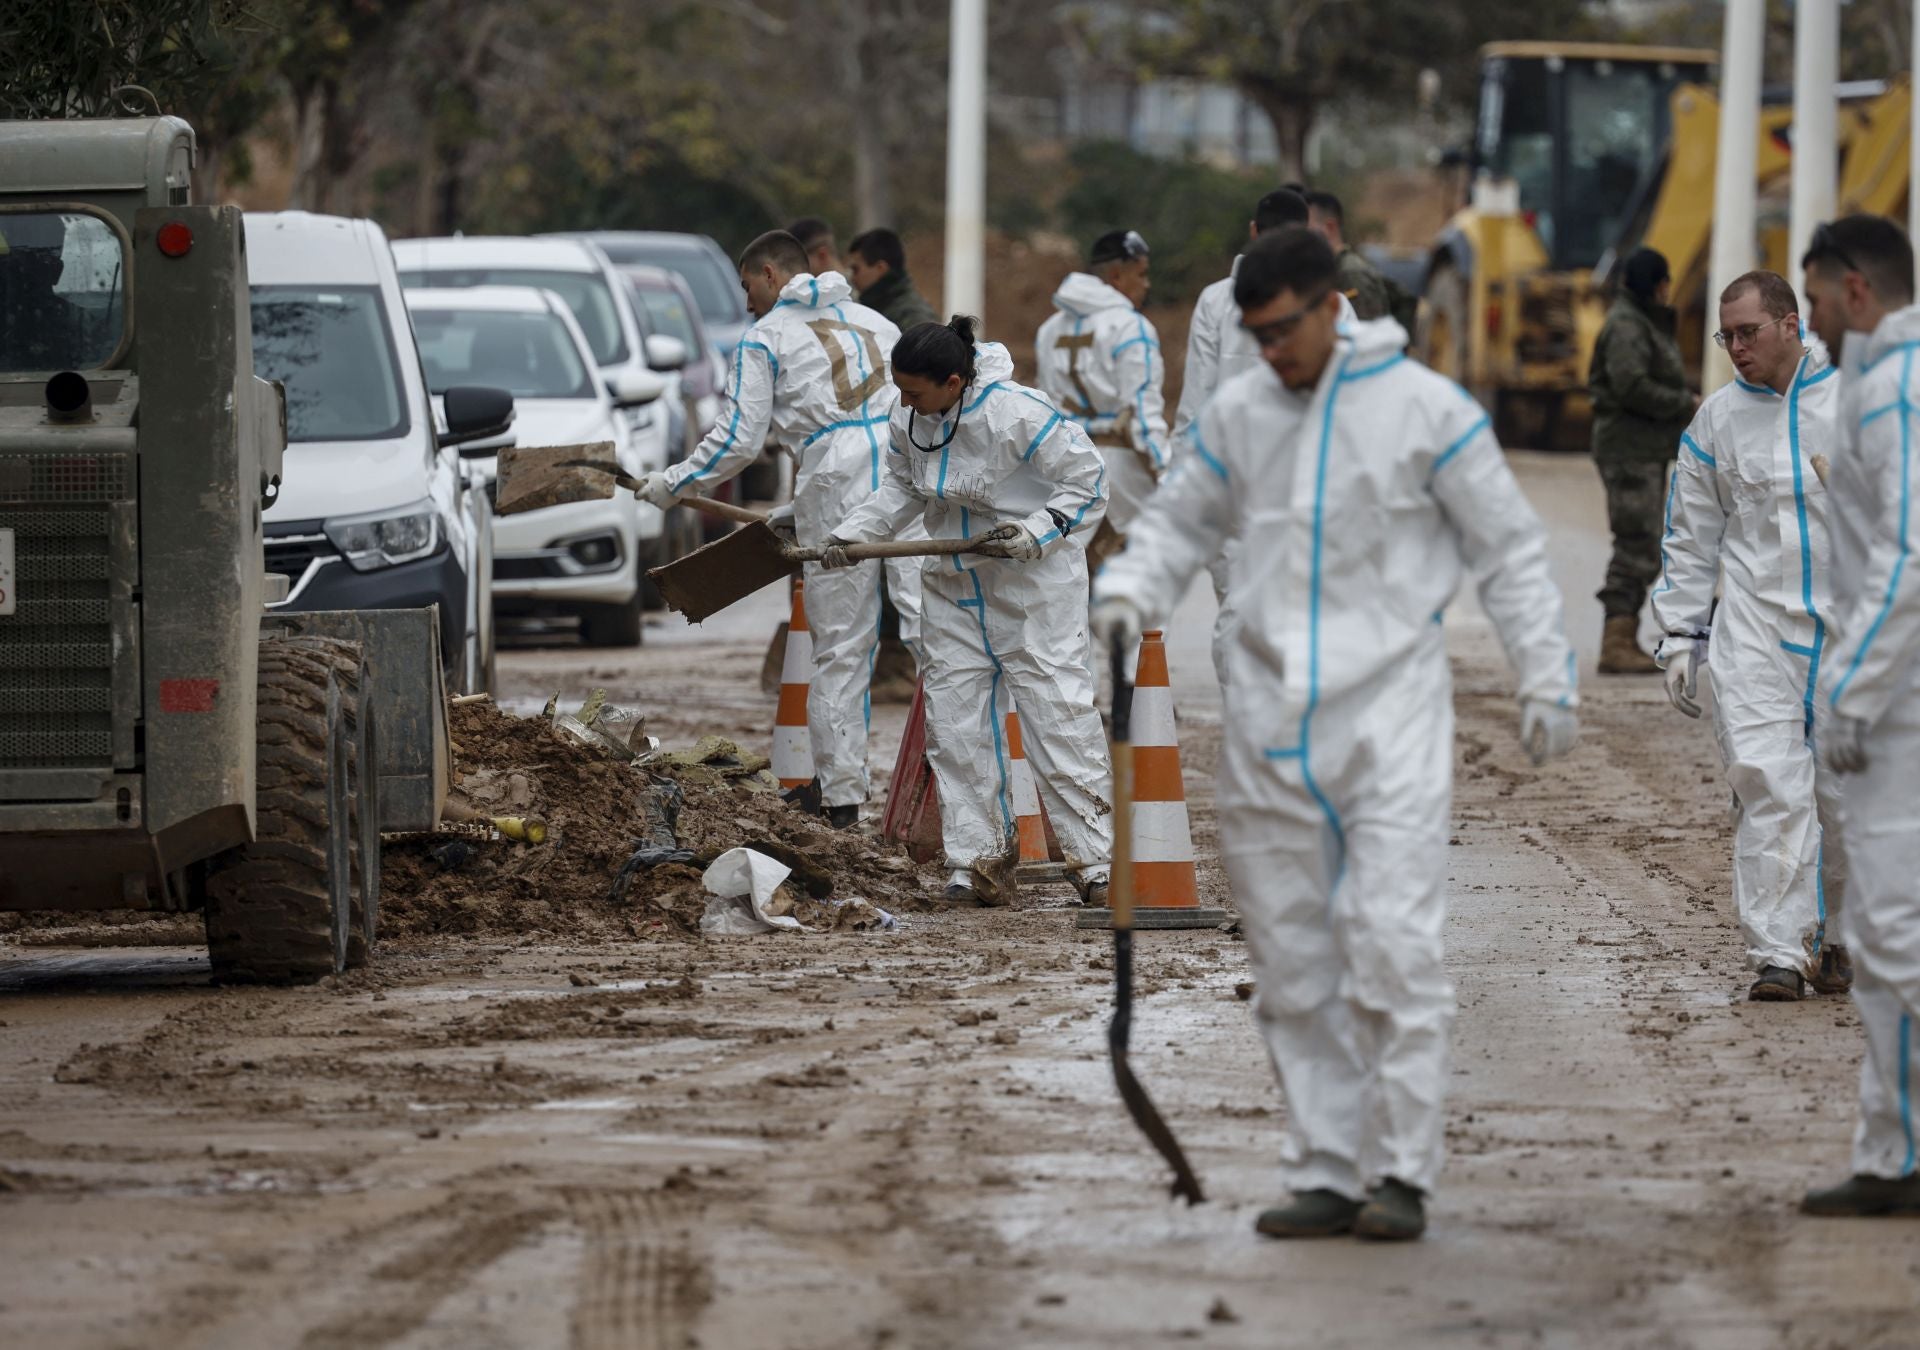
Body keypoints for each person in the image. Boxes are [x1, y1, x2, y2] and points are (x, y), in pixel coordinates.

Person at [1091, 227, 1579, 1243]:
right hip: (1270, 727)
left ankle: (1400, 1171)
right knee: (1294, 961)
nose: (1269, 352)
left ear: (1331, 306)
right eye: (1253, 335)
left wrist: (1546, 674)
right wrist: (1131, 588)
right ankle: (1323, 1165)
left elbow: (1508, 550)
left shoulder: (1422, 411)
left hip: (1386, 719)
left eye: (1280, 331)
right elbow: (1180, 520)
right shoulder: (1240, 414)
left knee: (1392, 945)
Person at [825, 317, 1114, 909]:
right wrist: (853, 535)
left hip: (1030, 591)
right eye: (900, 390)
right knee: (955, 729)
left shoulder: (1019, 415)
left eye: (915, 390)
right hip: (953, 588)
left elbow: (1088, 484)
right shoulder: (908, 419)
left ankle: (1095, 865)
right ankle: (976, 861)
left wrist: (1034, 532)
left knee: (1058, 721)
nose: (904, 401)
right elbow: (904, 489)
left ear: (954, 381)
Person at [634, 230, 910, 831]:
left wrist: (677, 482)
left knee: (842, 647)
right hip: (903, 472)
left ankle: (840, 800)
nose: (746, 303)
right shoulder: (876, 322)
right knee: (939, 641)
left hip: (837, 481)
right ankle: (949, 807)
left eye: (745, 288)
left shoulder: (765, 338)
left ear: (768, 274)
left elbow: (738, 439)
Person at [1650, 270, 1850, 1002]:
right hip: (1756, 631)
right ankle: (1780, 952)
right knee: (1769, 782)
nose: (1735, 348)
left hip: (1854, 633)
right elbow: (1691, 536)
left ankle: (1840, 939)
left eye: (1748, 332)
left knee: (1846, 796)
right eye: (1725, 336)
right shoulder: (1717, 423)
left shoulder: (1861, 404)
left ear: (1791, 324)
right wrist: (1679, 634)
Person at [1797, 215, 1920, 1216]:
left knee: (1896, 926)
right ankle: (1893, 1153)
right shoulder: (1882, 388)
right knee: (1881, 938)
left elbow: (1909, 558)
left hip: (1902, 709)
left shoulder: (1898, 390)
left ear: (1853, 291)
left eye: (1811, 305)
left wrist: (1851, 691)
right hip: (1893, 696)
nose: (1810, 326)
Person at [1176, 188, 1357, 684]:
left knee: (1239, 609)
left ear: (1254, 232)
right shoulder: (1335, 306)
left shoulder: (1216, 301)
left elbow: (1195, 405)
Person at [1588, 247, 1695, 675]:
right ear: (1657, 283)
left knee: (1645, 540)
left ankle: (1622, 634)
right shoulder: (1629, 327)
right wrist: (1683, 402)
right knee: (1636, 543)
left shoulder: (1640, 322)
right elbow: (1631, 385)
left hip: (1643, 448)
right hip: (1629, 451)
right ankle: (1616, 641)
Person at [1034, 229, 1168, 568]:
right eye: (1142, 274)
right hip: (1123, 465)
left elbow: (1042, 406)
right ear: (1116, 276)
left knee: (1069, 570)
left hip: (1067, 465)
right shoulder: (1131, 327)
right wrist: (1166, 473)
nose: (1147, 284)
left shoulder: (1049, 329)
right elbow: (1141, 411)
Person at [1303, 189, 1413, 330]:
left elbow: (1367, 336)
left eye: (1306, 228)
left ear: (1329, 227)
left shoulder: (1350, 273)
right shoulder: (1337, 269)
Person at [847, 228, 938, 331]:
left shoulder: (913, 317)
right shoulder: (878, 305)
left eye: (855, 269)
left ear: (880, 268)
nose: (852, 277)